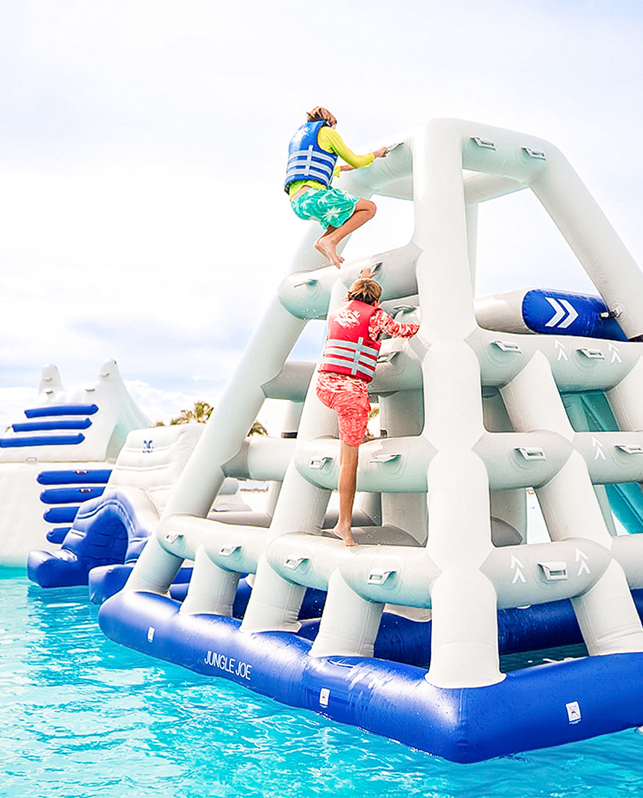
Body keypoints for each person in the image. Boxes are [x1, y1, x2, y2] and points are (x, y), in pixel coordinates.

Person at [316, 275, 420, 546]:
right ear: (375, 301)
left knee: (345, 448)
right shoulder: (375, 316)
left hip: (325, 387)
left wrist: (362, 278)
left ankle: (344, 521)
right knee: (349, 464)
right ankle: (344, 526)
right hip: (351, 396)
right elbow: (403, 331)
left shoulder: (339, 310)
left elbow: (350, 302)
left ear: (351, 296)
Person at [285, 107, 388, 268]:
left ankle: (323, 241)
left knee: (343, 213)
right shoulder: (327, 132)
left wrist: (345, 168)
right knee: (368, 208)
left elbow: (330, 169)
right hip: (313, 198)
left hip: (299, 204)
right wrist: (375, 154)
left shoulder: (301, 141)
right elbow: (356, 160)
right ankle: (330, 240)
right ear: (330, 122)